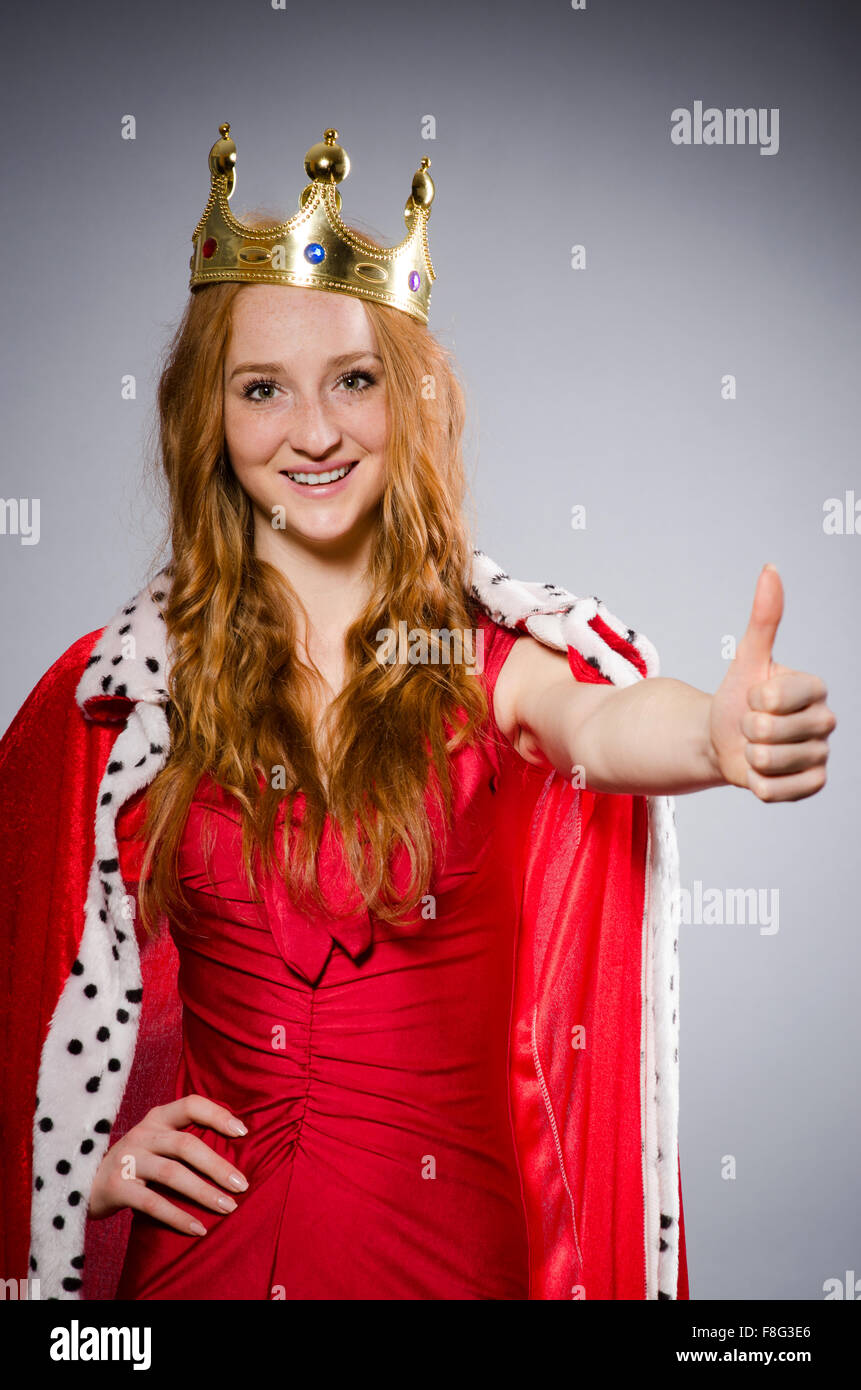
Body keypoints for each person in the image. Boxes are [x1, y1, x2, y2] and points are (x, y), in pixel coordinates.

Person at [0, 124, 835, 1303]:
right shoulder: (126, 697)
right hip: (194, 1271)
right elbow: (22, 995)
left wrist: (716, 736)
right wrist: (78, 1166)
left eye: (354, 379)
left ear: (408, 392)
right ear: (210, 421)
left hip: (446, 1262)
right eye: (262, 390)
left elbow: (593, 726)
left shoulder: (478, 658)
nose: (317, 430)